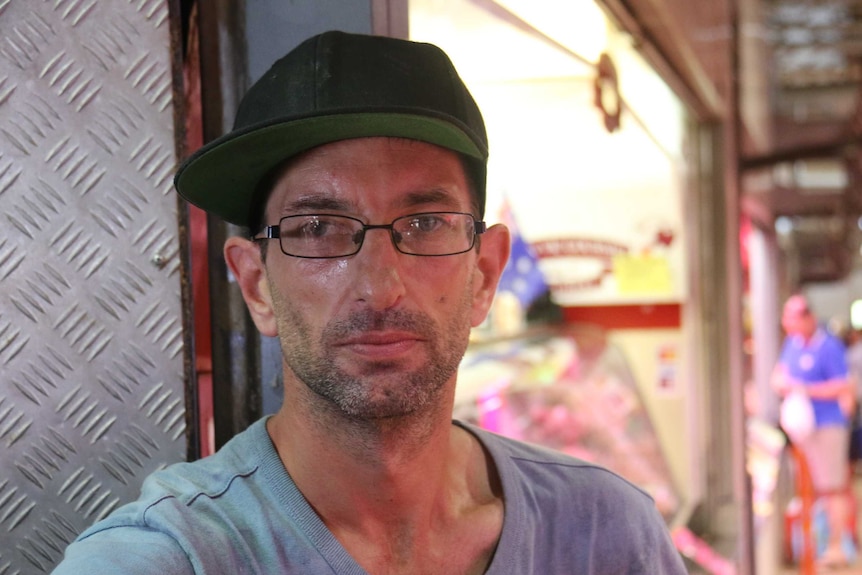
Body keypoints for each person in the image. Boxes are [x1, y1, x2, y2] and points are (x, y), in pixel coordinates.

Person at [52, 30, 686, 574]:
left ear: (485, 275)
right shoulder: (166, 561)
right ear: (256, 286)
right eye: (319, 228)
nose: (379, 286)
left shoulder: (607, 537)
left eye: (426, 224)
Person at [772, 294, 855, 568]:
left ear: (808, 318)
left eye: (794, 318)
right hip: (801, 430)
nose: (789, 324)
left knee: (832, 489)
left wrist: (805, 389)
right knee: (812, 490)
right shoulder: (792, 344)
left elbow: (842, 386)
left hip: (828, 426)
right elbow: (780, 374)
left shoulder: (828, 346)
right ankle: (814, 546)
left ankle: (836, 547)